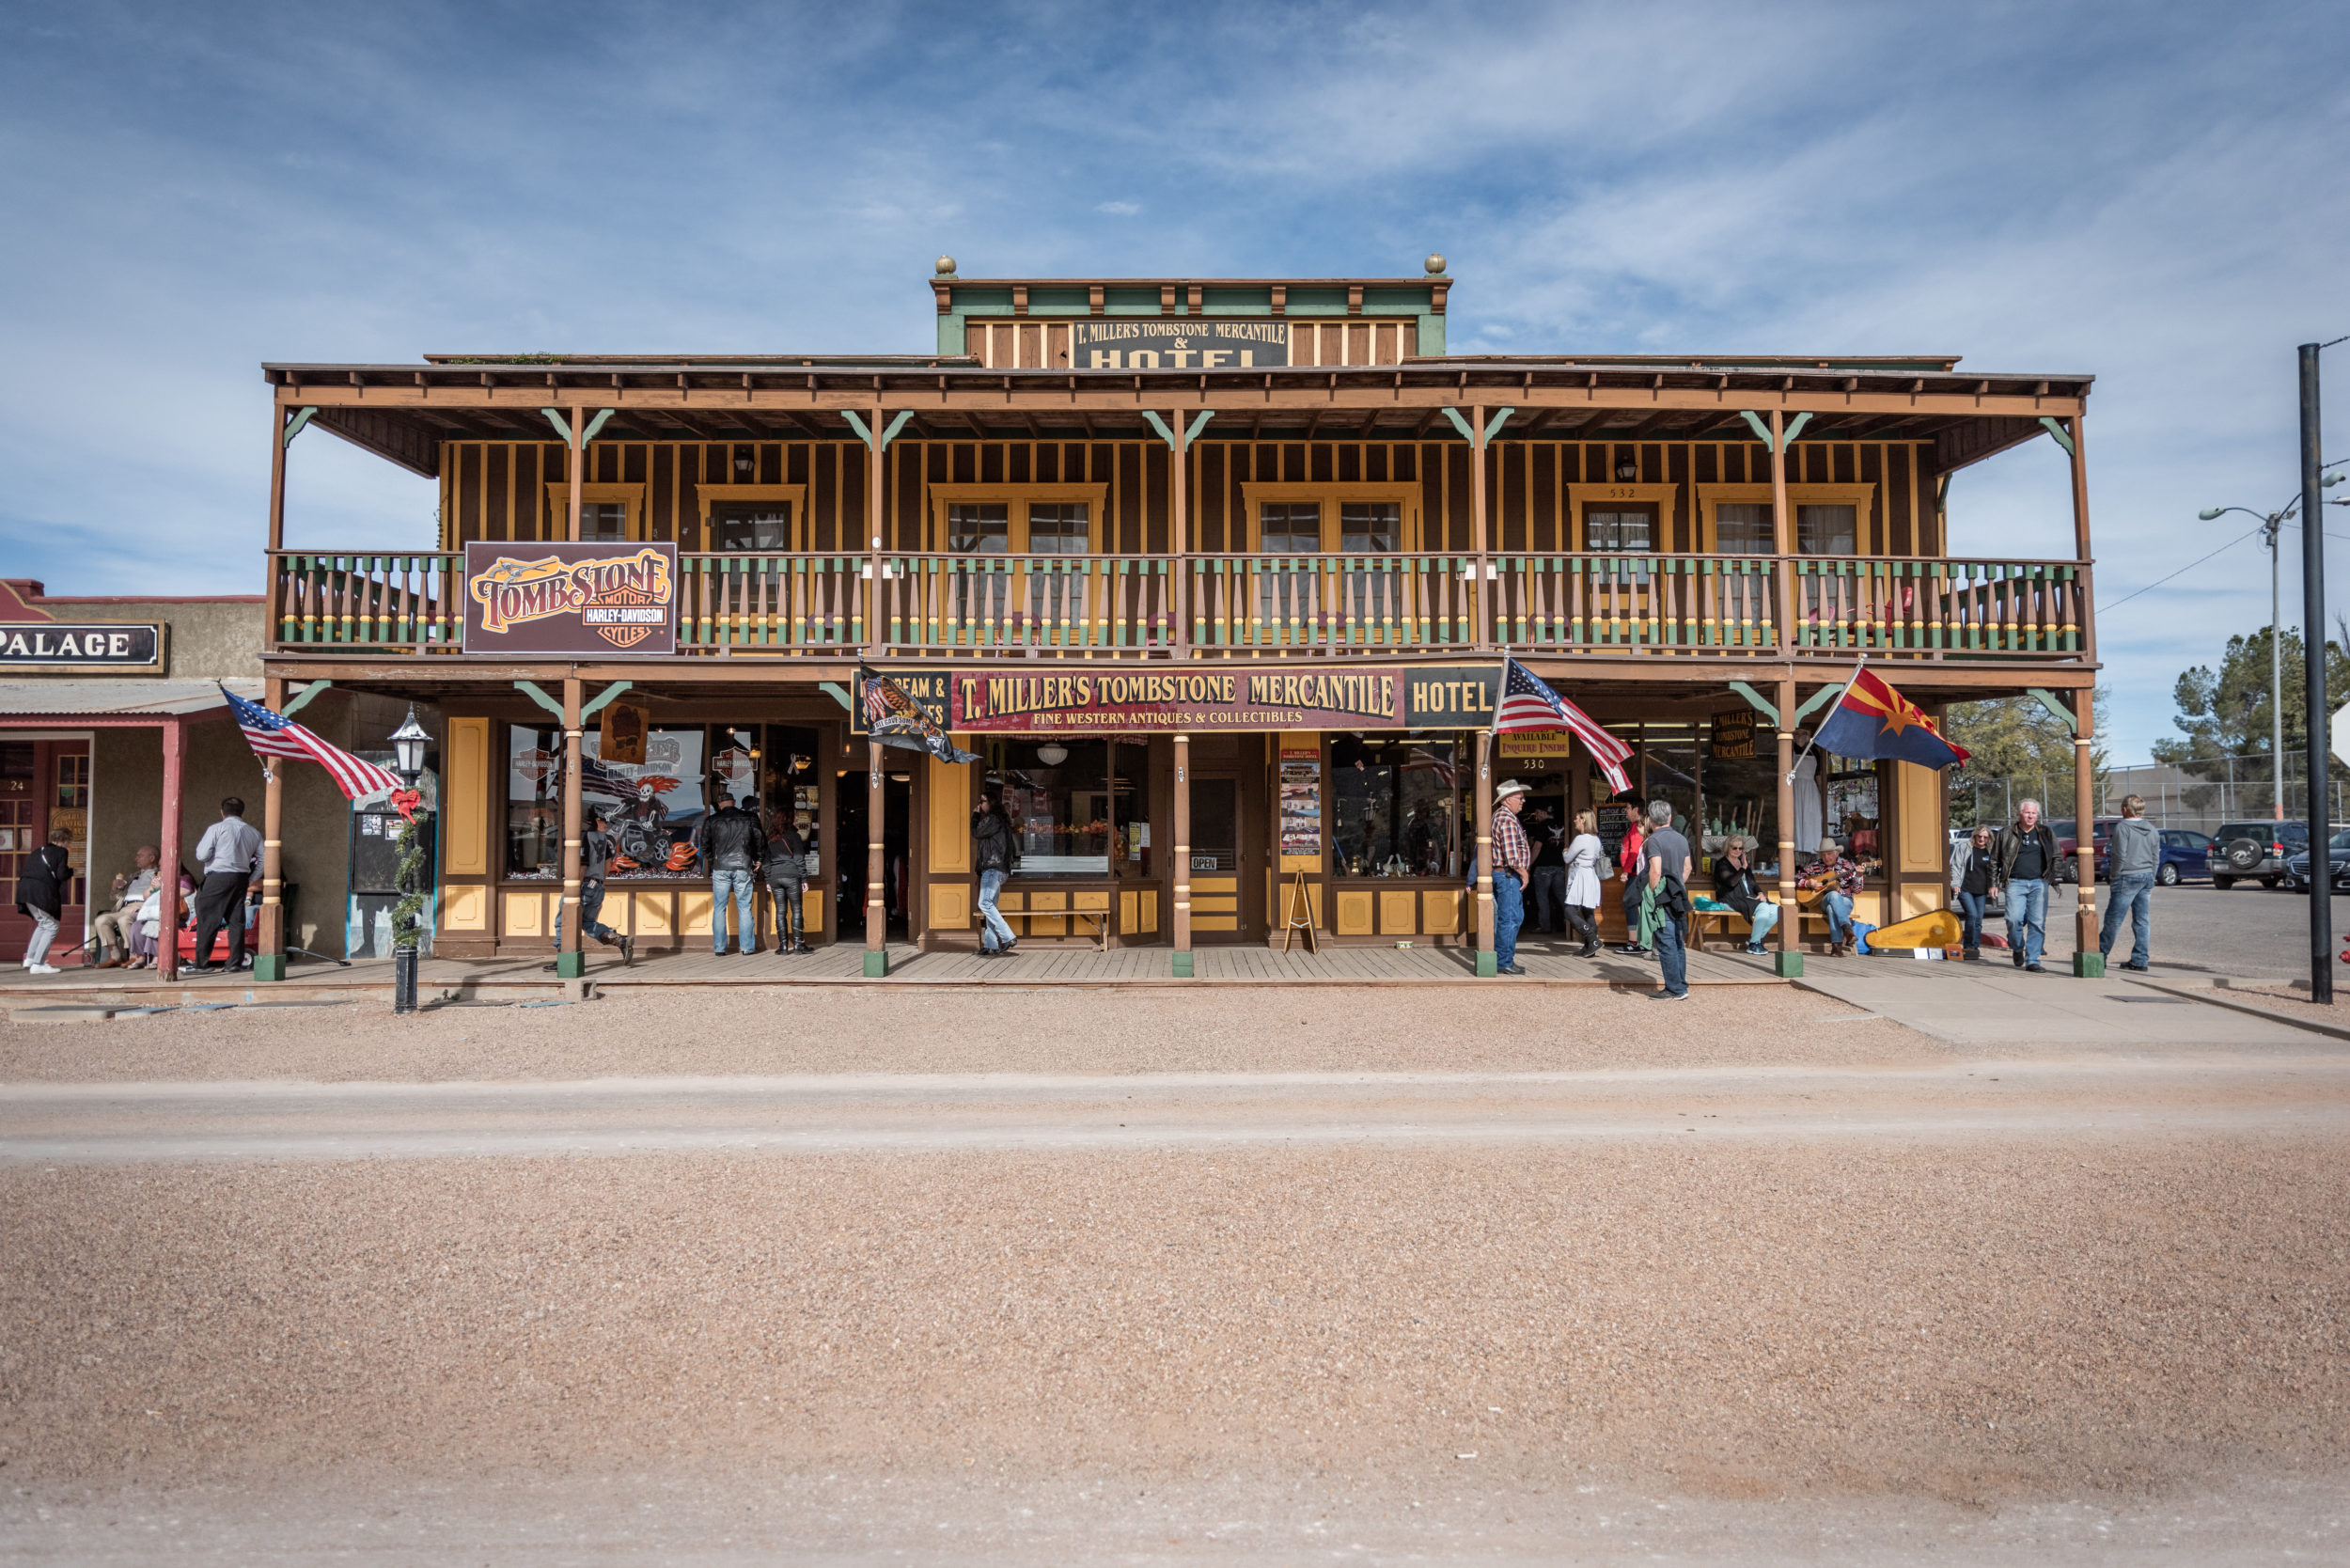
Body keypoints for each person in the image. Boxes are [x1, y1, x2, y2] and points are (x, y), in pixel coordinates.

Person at [187, 797, 260, 974]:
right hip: (241, 877)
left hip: (218, 876)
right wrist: (253, 877)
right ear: (242, 812)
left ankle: (201, 964)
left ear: (222, 812)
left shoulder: (216, 828)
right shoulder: (253, 832)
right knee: (236, 920)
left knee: (207, 918)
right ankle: (234, 962)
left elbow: (201, 855)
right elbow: (264, 858)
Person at [553, 809, 633, 965]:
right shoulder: (604, 839)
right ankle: (620, 940)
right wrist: (600, 883)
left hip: (584, 885)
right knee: (588, 923)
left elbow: (582, 867)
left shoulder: (584, 837)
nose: (605, 824)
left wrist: (576, 888)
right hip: (597, 886)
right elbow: (608, 862)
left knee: (563, 921)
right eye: (603, 821)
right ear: (595, 821)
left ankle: (563, 961)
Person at [1996, 798, 2061, 973]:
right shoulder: (2005, 833)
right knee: (2013, 919)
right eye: (2027, 812)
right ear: (2019, 814)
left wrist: (2050, 877)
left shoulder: (2046, 832)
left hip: (2039, 883)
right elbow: (1994, 860)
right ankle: (2017, 947)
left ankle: (2032, 960)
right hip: (2015, 883)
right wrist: (1993, 883)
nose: (2031, 816)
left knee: (2037, 923)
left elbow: (2056, 856)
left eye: (2033, 813)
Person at [1640, 799, 1694, 1000]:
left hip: (1662, 896)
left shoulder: (1654, 840)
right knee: (1678, 941)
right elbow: (1688, 867)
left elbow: (1655, 869)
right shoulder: (1681, 839)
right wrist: (1677, 884)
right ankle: (1681, 984)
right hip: (1678, 894)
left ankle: (1674, 988)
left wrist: (1655, 894)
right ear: (1670, 817)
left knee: (1666, 941)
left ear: (1651, 820)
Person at [2101, 793, 2158, 973]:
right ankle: (2140, 960)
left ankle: (2099, 956)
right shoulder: (2151, 828)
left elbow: (2119, 855)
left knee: (2113, 919)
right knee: (2142, 921)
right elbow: (2156, 856)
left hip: (2126, 876)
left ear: (2125, 809)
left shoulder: (2122, 827)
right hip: (2147, 876)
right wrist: (2152, 877)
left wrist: (2114, 875)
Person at [703, 793, 765, 956]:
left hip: (720, 867)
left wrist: (714, 860)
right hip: (743, 865)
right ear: (735, 802)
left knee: (719, 908)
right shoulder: (749, 817)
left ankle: (719, 948)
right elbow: (759, 839)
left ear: (718, 804)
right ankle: (746, 948)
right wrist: (758, 859)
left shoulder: (711, 820)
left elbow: (705, 845)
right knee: (744, 907)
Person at [1489, 778, 1532, 975]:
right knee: (1510, 918)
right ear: (1507, 800)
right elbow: (1511, 855)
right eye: (1520, 797)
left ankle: (1505, 959)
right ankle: (1504, 961)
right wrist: (1524, 874)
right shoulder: (1506, 819)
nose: (1523, 801)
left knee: (1513, 917)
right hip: (1508, 875)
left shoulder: (1504, 817)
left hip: (1507, 875)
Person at [1712, 834, 1780, 955]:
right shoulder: (1721, 864)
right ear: (1728, 848)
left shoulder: (1743, 863)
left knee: (1776, 909)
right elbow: (1731, 883)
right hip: (1729, 900)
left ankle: (1755, 940)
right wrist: (1743, 867)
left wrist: (1760, 893)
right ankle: (1754, 944)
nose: (1738, 851)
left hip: (1747, 899)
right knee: (1763, 907)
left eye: (1741, 848)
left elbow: (1752, 882)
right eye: (1734, 848)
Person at [91, 845, 159, 968]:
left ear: (152, 858)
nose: (136, 858)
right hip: (124, 907)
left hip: (142, 907)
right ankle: (115, 956)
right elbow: (114, 898)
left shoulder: (158, 874)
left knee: (125, 920)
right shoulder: (134, 876)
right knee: (101, 920)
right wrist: (115, 888)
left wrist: (146, 906)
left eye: (140, 856)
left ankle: (135, 956)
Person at [15, 827, 71, 975]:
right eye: (68, 841)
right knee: (51, 926)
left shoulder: (37, 851)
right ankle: (38, 964)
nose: (68, 845)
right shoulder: (61, 852)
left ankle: (30, 958)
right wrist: (71, 871)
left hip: (24, 889)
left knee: (43, 923)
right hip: (41, 891)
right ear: (64, 840)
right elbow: (61, 874)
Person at [1796, 838, 1865, 957]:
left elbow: (1857, 890)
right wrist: (1808, 883)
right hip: (1823, 901)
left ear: (1836, 853)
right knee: (1833, 895)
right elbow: (1796, 878)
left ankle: (1836, 948)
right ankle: (1847, 929)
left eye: (1829, 854)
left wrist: (1858, 876)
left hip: (1846, 902)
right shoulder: (1815, 866)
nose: (1826, 857)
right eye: (1823, 855)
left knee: (1831, 908)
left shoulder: (1848, 866)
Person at [972, 792, 1019, 957]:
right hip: (999, 869)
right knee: (991, 906)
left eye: (982, 801)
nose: (980, 804)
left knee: (985, 903)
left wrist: (975, 816)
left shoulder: (993, 820)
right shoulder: (1000, 821)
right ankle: (991, 945)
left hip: (993, 868)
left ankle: (1008, 936)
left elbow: (976, 833)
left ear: (991, 803)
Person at [765, 808, 812, 955]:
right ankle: (798, 945)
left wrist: (768, 879)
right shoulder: (794, 836)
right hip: (792, 875)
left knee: (780, 911)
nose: (795, 821)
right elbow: (799, 858)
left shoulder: (770, 838)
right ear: (789, 820)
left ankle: (783, 947)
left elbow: (766, 861)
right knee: (796, 910)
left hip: (775, 876)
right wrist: (804, 878)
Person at [1949, 824, 1998, 960]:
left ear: (1989, 838)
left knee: (1978, 920)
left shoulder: (1991, 851)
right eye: (1979, 836)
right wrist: (1955, 884)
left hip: (1981, 891)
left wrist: (1995, 886)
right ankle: (1968, 946)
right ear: (1975, 835)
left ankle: (1974, 948)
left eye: (1985, 837)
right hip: (1965, 888)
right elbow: (1956, 866)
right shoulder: (1964, 848)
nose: (1981, 839)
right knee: (1972, 915)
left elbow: (1995, 870)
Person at [1560, 809, 1606, 959]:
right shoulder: (1596, 839)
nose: (1575, 821)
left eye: (1577, 818)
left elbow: (1567, 859)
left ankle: (1592, 939)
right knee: (1588, 912)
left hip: (1580, 876)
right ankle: (1589, 947)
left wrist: (1565, 851)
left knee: (1569, 911)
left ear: (1584, 820)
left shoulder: (1581, 839)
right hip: (1591, 876)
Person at [1612, 812, 1650, 956]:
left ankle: (1635, 942)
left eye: (1628, 807)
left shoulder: (1644, 838)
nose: (1625, 811)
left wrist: (1626, 871)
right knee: (1640, 906)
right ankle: (1644, 942)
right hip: (1639, 875)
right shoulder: (1644, 837)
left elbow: (1634, 852)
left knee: (1631, 903)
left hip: (1638, 876)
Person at [1526, 806, 1566, 937]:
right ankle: (1569, 924)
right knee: (1562, 897)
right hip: (1560, 866)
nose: (1536, 816)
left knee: (1542, 898)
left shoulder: (1542, 826)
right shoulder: (1562, 823)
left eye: (1537, 813)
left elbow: (1537, 847)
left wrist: (1529, 864)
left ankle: (1545, 926)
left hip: (1543, 867)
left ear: (1543, 812)